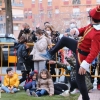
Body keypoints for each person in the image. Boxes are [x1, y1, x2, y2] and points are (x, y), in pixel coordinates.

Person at [40, 5, 100, 100]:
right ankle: (50, 53)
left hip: (83, 56)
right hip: (78, 47)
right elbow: (84, 29)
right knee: (64, 39)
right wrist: (75, 31)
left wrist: (85, 64)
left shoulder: (97, 33)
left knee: (80, 79)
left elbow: (94, 52)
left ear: (92, 18)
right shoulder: (92, 25)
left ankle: (86, 98)